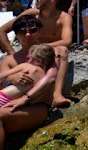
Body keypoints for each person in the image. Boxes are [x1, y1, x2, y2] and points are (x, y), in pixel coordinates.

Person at [0, 0, 72, 107]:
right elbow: (2, 30)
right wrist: (12, 53)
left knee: (62, 49)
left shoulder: (63, 17)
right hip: (26, 56)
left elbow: (67, 41)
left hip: (46, 57)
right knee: (8, 61)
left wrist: (40, 48)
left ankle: (57, 94)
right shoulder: (31, 14)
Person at [0, 16, 59, 148]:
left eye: (33, 30)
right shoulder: (9, 60)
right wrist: (10, 78)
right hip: (11, 105)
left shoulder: (47, 54)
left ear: (39, 31)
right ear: (16, 34)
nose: (28, 34)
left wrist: (25, 98)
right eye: (22, 31)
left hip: (36, 106)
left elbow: (50, 78)